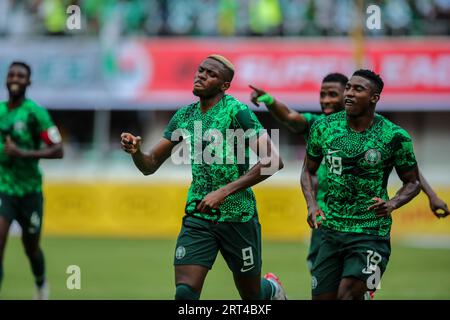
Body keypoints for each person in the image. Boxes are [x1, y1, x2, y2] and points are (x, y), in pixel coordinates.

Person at [121, 55, 287, 300]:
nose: (201, 75)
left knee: (252, 296)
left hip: (238, 215)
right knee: (185, 294)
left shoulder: (236, 111)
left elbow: (273, 161)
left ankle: (272, 289)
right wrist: (136, 153)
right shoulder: (184, 116)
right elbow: (150, 165)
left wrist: (223, 192)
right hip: (199, 213)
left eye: (211, 74)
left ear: (224, 86)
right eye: (201, 70)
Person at [250, 74, 449, 276]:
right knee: (322, 281)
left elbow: (408, 169)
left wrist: (431, 195)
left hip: (365, 223)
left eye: (333, 94)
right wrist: (269, 100)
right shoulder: (319, 125)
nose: (326, 100)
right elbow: (290, 117)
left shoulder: (385, 133)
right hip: (326, 216)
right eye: (323, 94)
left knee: (357, 284)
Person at [301, 69, 422, 300]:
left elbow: (413, 181)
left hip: (371, 232)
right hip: (331, 231)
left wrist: (393, 202)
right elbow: (308, 170)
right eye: (348, 88)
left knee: (347, 295)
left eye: (358, 89)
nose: (349, 93)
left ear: (374, 97)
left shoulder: (394, 136)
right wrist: (311, 204)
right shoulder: (324, 128)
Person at [0, 61, 64, 299]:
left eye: (21, 75)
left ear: (29, 82)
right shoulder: (0, 112)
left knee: (31, 248)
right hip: (4, 188)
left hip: (30, 192)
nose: (15, 78)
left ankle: (40, 284)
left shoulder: (36, 113)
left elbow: (58, 150)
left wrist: (23, 154)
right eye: (12, 74)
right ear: (6, 80)